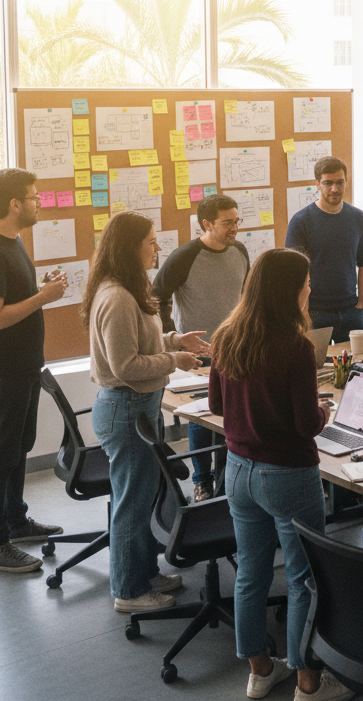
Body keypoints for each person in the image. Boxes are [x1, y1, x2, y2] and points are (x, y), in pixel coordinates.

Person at [208, 248, 352, 701]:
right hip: (287, 474)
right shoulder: (296, 345)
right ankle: (308, 683)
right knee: (302, 578)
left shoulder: (227, 335)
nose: (310, 289)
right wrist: (325, 411)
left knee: (251, 573)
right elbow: (305, 425)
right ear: (289, 290)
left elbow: (216, 406)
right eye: (306, 282)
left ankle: (259, 670)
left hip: (238, 471)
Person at [84, 211, 208, 613]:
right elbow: (126, 366)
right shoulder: (117, 296)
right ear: (129, 247)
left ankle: (145, 573)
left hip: (139, 405)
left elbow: (142, 341)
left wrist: (173, 338)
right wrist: (175, 360)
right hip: (126, 407)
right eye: (151, 242)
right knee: (132, 503)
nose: (158, 248)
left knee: (142, 494)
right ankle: (129, 591)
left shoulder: (127, 287)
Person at [0, 168, 67, 573]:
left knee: (17, 450)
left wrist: (38, 289)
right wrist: (43, 297)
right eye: (33, 197)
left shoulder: (12, 242)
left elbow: (13, 299)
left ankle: (15, 521)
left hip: (23, 367)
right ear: (14, 204)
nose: (38, 202)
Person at [153, 193, 249, 501]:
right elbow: (157, 297)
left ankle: (227, 481)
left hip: (235, 349)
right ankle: (202, 480)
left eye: (237, 220)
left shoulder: (241, 251)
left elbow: (245, 295)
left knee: (231, 416)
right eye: (227, 222)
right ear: (206, 224)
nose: (235, 228)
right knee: (202, 417)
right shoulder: (185, 256)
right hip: (200, 352)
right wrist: (173, 336)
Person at [285, 156, 363, 347]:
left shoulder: (357, 217)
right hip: (315, 312)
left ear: (346, 182)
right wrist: (304, 312)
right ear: (317, 184)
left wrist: (361, 302)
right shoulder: (301, 221)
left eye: (340, 182)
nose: (335, 189)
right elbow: (295, 273)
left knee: (354, 368)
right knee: (315, 369)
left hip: (351, 311)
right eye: (328, 183)